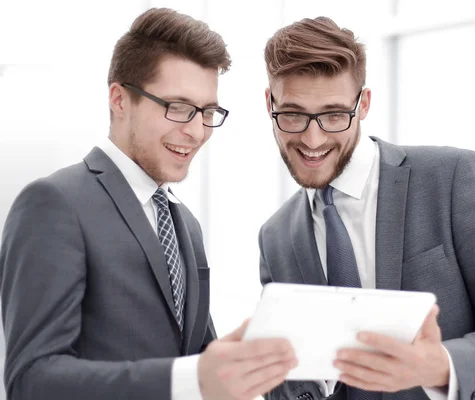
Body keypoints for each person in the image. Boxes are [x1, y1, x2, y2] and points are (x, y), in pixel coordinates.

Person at [0, 8, 297, 400]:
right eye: (177, 107)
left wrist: (253, 362)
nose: (195, 131)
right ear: (119, 99)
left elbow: (195, 360)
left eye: (208, 112)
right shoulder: (54, 204)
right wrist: (189, 380)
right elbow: (31, 380)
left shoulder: (184, 224)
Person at [258, 16, 475, 400]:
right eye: (293, 114)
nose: (313, 138)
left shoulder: (452, 177)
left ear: (363, 104)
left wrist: (442, 365)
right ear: (269, 104)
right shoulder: (275, 236)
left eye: (333, 115)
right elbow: (286, 379)